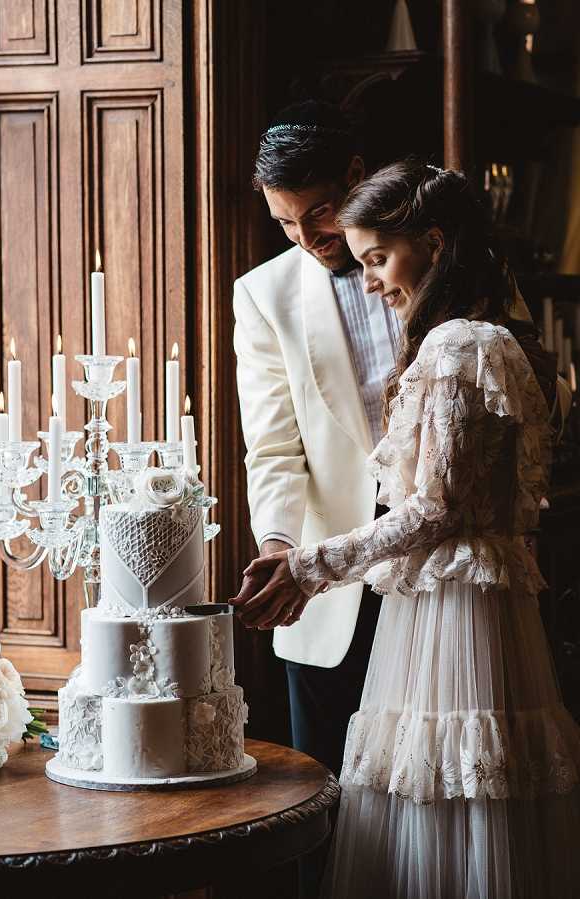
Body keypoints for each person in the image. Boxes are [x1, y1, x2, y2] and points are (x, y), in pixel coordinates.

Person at [231, 160, 580, 898]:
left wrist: (309, 565)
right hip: (484, 600)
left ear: (434, 242)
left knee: (446, 794)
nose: (370, 282)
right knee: (477, 791)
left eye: (378, 259)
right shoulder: (498, 341)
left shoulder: (454, 348)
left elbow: (437, 509)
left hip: (453, 612)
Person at [233, 100, 402, 777]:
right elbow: (272, 447)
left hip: (442, 570)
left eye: (319, 212)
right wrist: (279, 544)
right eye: (284, 222)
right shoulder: (263, 295)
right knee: (326, 805)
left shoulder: (436, 261)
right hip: (329, 586)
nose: (306, 236)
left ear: (356, 175)